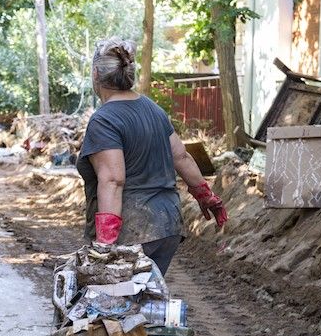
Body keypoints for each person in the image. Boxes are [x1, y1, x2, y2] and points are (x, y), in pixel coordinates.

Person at [76, 38, 228, 275]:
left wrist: (105, 243)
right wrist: (205, 196)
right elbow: (182, 157)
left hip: (132, 231)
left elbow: (113, 180)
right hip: (167, 225)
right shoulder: (154, 109)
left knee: (115, 306)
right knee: (145, 303)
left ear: (96, 74)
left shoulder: (104, 120)